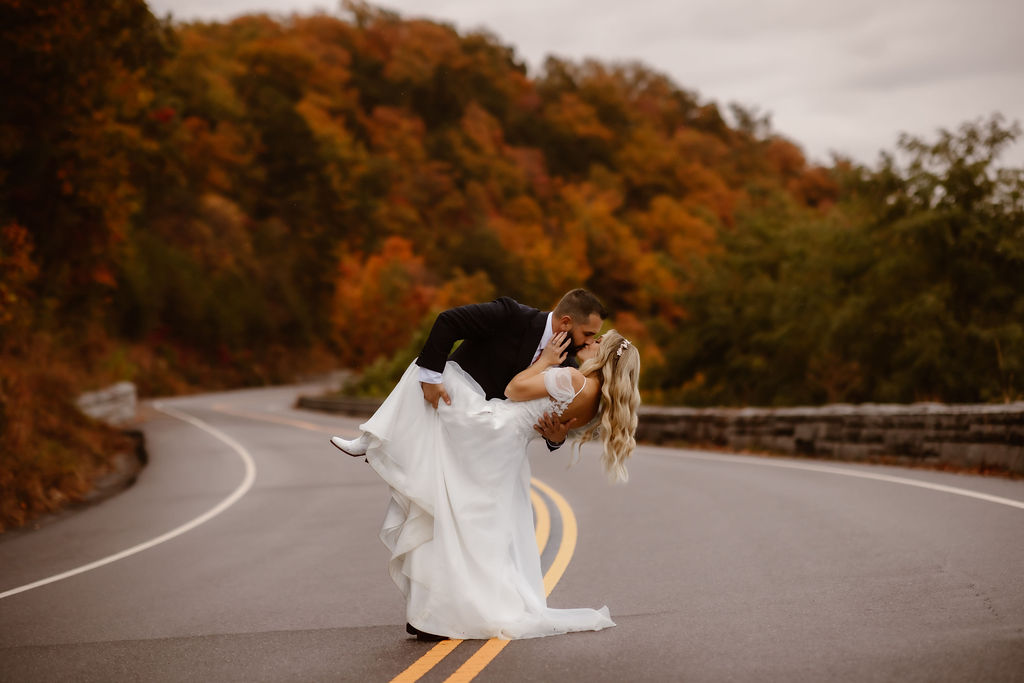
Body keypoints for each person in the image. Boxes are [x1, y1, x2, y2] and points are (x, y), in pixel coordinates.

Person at [330, 302, 641, 641]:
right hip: (508, 450)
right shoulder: (596, 400)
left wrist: (545, 363)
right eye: (590, 336)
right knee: (463, 524)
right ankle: (433, 613)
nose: (587, 344)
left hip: (492, 430)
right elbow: (558, 429)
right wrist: (557, 436)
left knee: (438, 373)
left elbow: (514, 390)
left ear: (605, 357)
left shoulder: (570, 374)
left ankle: (374, 439)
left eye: (596, 342)